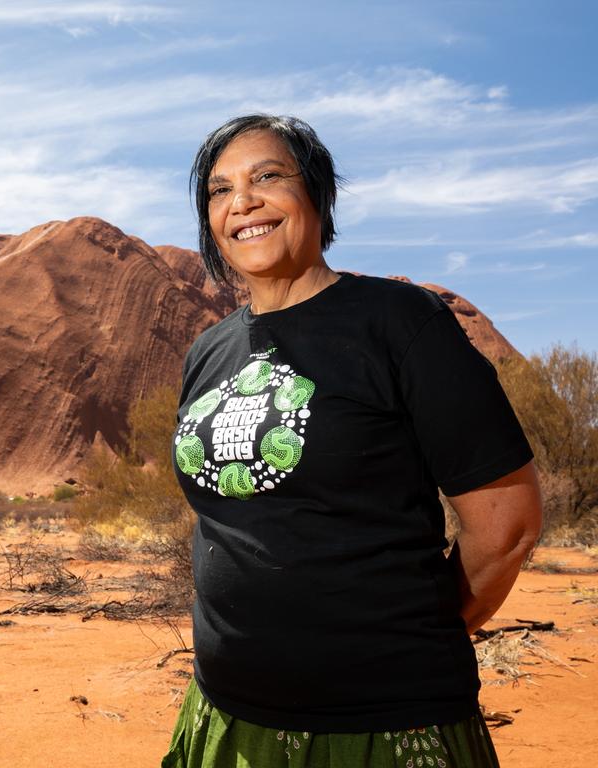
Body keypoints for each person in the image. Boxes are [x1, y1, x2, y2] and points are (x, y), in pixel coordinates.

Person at [163, 114, 542, 768]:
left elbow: (506, 526)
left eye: (268, 177)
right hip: (226, 710)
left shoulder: (398, 322)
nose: (242, 202)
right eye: (219, 191)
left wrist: (398, 634)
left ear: (316, 192)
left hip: (380, 723)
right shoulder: (209, 351)